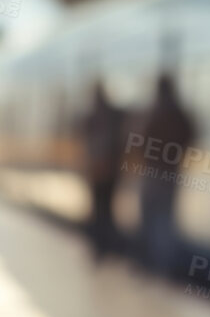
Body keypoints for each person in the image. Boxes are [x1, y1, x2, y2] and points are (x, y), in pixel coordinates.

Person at [136, 73, 196, 273]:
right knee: (165, 221)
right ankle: (164, 263)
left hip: (152, 173)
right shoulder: (179, 113)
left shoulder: (152, 112)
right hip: (171, 173)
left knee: (149, 219)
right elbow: (190, 135)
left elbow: (140, 139)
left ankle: (150, 263)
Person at [78, 81, 124, 259]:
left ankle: (100, 246)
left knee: (98, 210)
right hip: (109, 173)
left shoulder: (91, 117)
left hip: (97, 173)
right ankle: (105, 245)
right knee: (105, 210)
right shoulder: (113, 116)